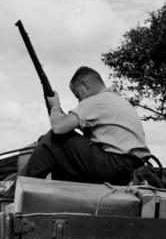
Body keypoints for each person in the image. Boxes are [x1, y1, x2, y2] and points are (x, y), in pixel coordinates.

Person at [20, 66, 151, 185]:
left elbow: (59, 128)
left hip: (116, 165)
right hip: (130, 167)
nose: (79, 100)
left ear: (85, 84)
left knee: (53, 140)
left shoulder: (96, 100)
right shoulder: (115, 100)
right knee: (57, 147)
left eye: (78, 95)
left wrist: (55, 106)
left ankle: (17, 193)